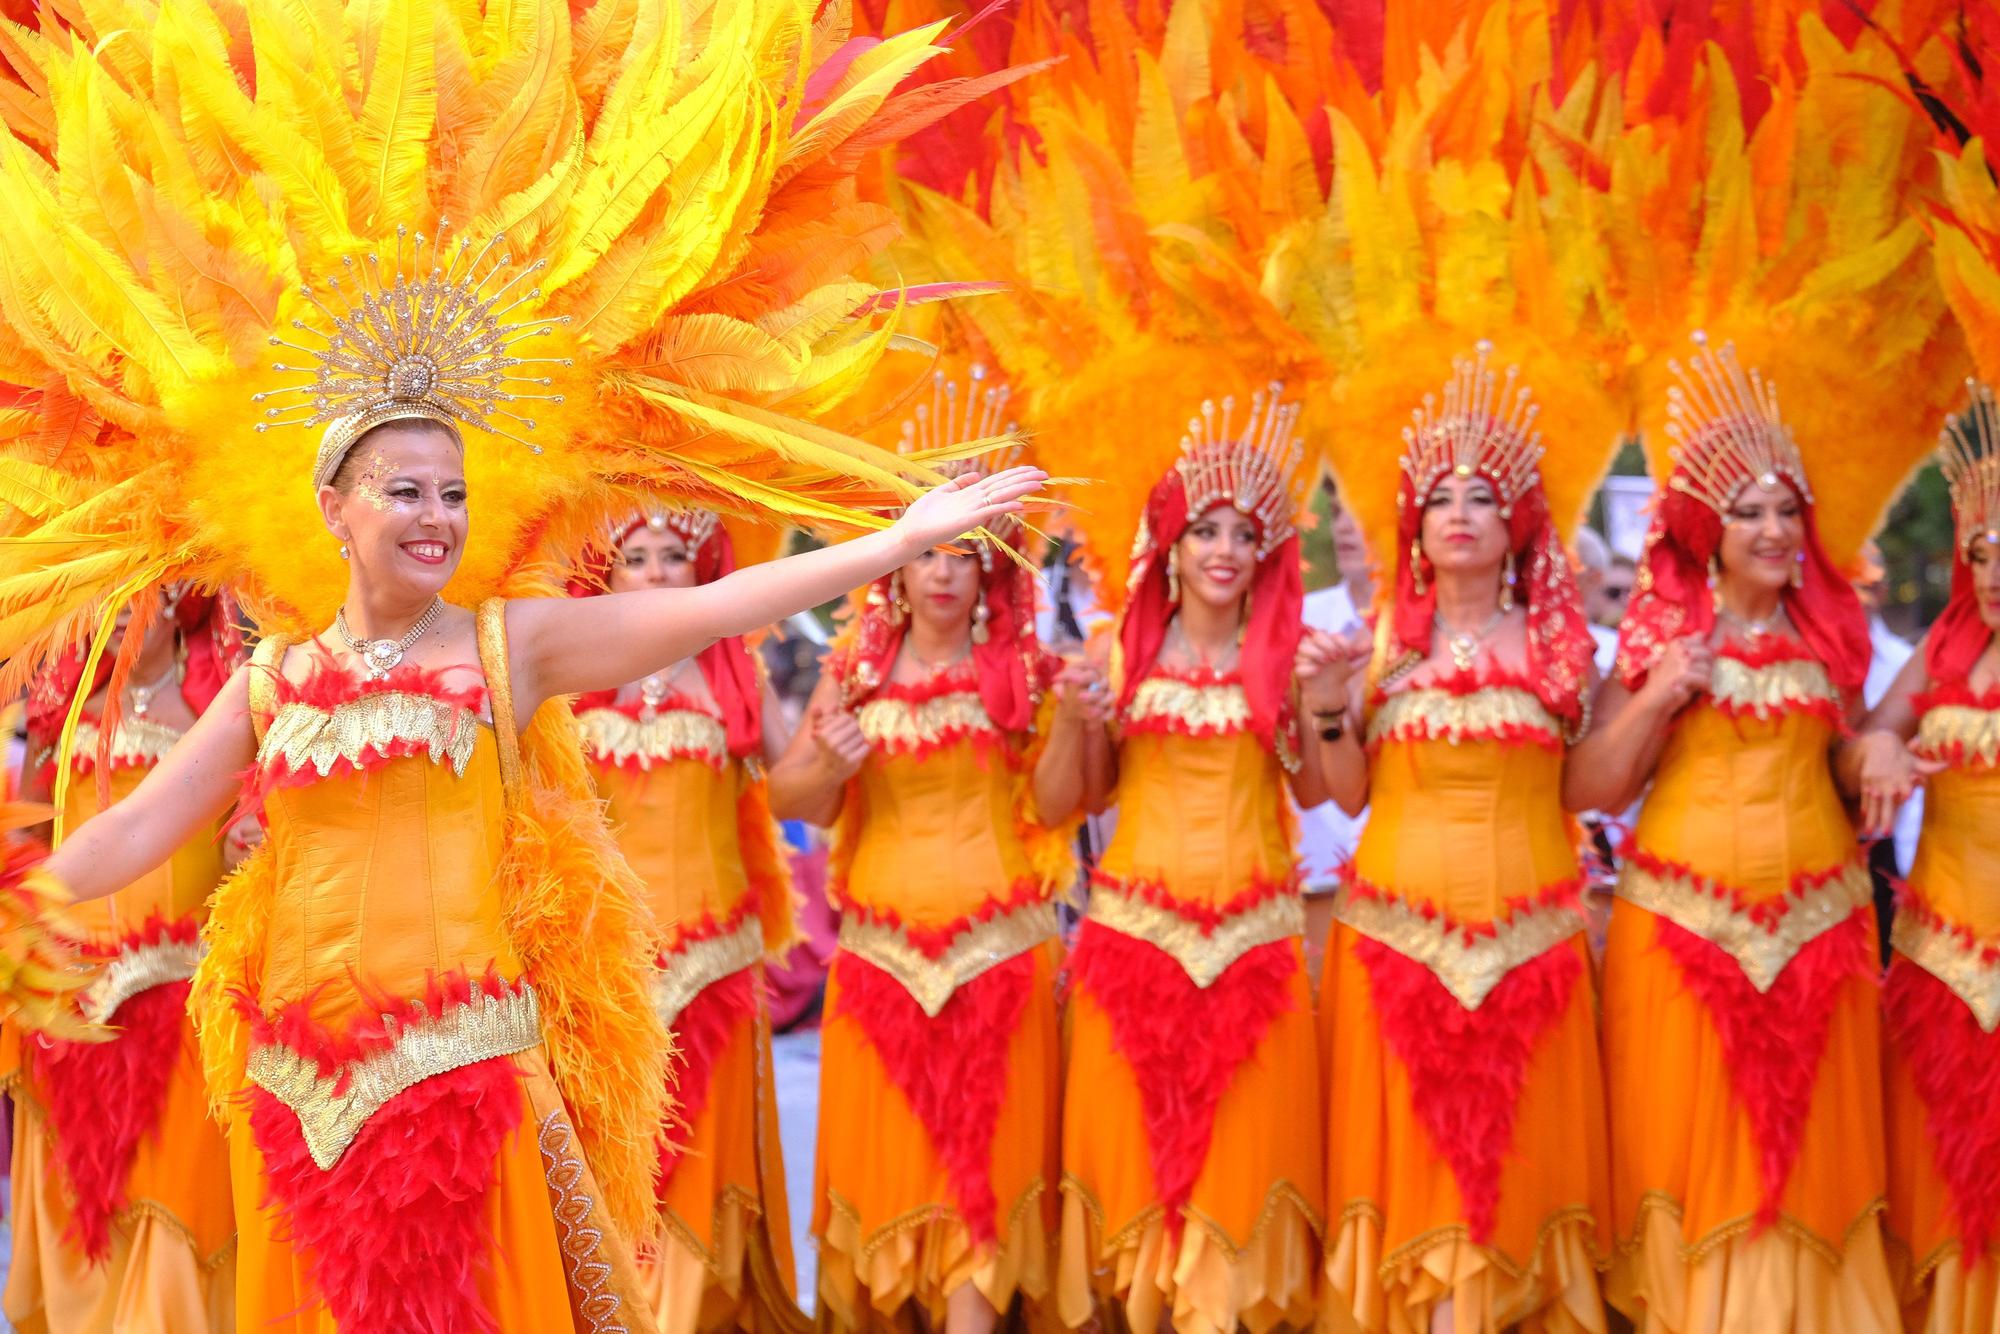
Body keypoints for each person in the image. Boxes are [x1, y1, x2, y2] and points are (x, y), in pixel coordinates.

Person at [15, 289, 1044, 1331]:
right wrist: (25, 897)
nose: (435, 518)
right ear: (335, 506)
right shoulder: (273, 676)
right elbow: (141, 824)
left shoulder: (510, 645)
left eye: (453, 494)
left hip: (469, 1069)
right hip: (300, 1083)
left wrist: (887, 546)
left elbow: (701, 610)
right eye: (403, 490)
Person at [1568, 336, 1896, 1331]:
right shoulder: (1656, 638)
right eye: (1745, 511)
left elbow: (1832, 760)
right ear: (1705, 530)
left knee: (1805, 1158)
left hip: (1817, 926)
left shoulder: (1827, 636)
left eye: (1783, 508)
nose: (1768, 526)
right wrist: (1659, 692)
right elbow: (1586, 782)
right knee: (1686, 1154)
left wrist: (1870, 754)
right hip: (1679, 928)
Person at [767, 373, 1092, 1334]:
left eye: (967, 553)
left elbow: (1060, 808)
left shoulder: (1030, 674)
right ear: (898, 565)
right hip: (880, 956)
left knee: (986, 1179)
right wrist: (826, 758)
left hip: (1003, 948)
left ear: (994, 569)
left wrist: (1074, 723)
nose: (945, 572)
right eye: (930, 552)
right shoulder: (853, 672)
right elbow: (793, 800)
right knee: (892, 1168)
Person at [1301, 347, 1611, 1333]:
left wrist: (1650, 703)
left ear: (1513, 520)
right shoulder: (1381, 642)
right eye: (1439, 497)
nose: (1460, 511)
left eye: (1482, 495)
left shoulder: (1563, 647)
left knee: (1515, 1161)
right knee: (1416, 1168)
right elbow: (1344, 793)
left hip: (1529, 936)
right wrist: (1320, 703)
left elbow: (1589, 785)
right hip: (1395, 935)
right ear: (1416, 527)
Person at [1058, 386, 1329, 1334]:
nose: (1222, 549)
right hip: (1133, 939)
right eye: (1202, 530)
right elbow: (1080, 800)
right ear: (1169, 549)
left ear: (1263, 556)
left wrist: (1328, 702)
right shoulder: (1114, 652)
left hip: (1256, 944)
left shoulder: (1291, 654)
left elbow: (1325, 790)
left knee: (1242, 1183)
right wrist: (1078, 720)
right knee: (1135, 1186)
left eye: (1242, 533)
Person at [571, 508, 808, 1334]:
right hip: (604, 975)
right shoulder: (567, 681)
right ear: (607, 573)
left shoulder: (734, 673)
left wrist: (843, 728)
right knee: (614, 1164)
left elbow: (803, 782)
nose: (659, 570)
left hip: (715, 962)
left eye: (676, 555)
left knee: (702, 1164)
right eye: (636, 555)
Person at [2, 589, 242, 1334]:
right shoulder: (62, 718)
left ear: (181, 603)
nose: (124, 613)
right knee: (84, 1200)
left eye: (141, 596)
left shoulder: (220, 721)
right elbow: (32, 850)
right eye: (111, 599)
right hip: (71, 1009)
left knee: (176, 1197)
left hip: (186, 1012)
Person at [1843, 384, 2000, 1331]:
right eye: (1982, 552)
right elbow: (1858, 742)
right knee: (1943, 1174)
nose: (1994, 574)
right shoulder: (1945, 653)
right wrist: (1887, 750)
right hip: (1942, 956)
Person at [1297, 477, 1373, 974]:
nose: (1345, 525)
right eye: (1339, 510)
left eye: (1360, 509)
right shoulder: (1300, 618)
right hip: (1314, 872)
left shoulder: (1440, 634)